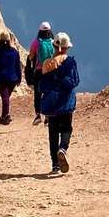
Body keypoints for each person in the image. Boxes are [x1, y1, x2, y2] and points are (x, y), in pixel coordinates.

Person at [39, 32, 79, 175]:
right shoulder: (70, 62)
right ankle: (63, 149)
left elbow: (43, 86)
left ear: (54, 46)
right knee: (67, 129)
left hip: (51, 104)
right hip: (66, 102)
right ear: (66, 48)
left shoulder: (46, 64)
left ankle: (55, 165)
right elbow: (74, 81)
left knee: (53, 133)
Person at [0, 32, 22, 125]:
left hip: (2, 78)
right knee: (6, 98)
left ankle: (6, 115)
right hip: (13, 79)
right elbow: (18, 67)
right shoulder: (14, 52)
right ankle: (3, 116)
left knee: (5, 97)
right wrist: (19, 79)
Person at [28, 22, 54, 125]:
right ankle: (48, 116)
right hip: (50, 70)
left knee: (37, 93)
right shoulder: (53, 42)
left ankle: (38, 115)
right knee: (48, 92)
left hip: (39, 70)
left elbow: (30, 57)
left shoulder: (36, 42)